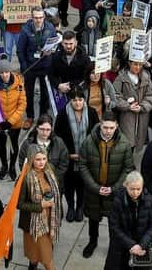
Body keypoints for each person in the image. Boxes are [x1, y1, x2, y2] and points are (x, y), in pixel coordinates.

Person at [79, 111, 134, 258]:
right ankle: (92, 241)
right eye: (105, 127)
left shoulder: (124, 143)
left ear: (116, 126)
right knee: (93, 219)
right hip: (94, 191)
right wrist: (95, 187)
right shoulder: (89, 141)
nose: (108, 131)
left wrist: (114, 188)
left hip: (114, 191)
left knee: (114, 222)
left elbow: (128, 168)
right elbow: (83, 165)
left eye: (111, 128)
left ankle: (114, 246)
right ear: (100, 125)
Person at [55, 87, 100, 222]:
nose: (77, 103)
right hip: (68, 157)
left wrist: (87, 154)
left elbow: (96, 134)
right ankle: (70, 207)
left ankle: (80, 207)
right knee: (69, 184)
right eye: (74, 100)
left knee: (82, 183)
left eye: (80, 99)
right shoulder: (63, 114)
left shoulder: (91, 113)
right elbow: (57, 136)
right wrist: (68, 154)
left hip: (85, 158)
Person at [17, 144, 64, 270]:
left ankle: (32, 267)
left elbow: (57, 190)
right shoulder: (25, 178)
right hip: (35, 223)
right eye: (38, 159)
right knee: (47, 259)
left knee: (35, 255)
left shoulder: (50, 170)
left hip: (50, 219)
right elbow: (19, 204)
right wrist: (40, 206)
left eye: (44, 158)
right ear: (31, 159)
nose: (41, 162)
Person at [105, 170, 152, 270]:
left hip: (142, 245)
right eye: (132, 189)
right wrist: (132, 245)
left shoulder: (149, 200)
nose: (135, 192)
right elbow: (114, 226)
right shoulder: (118, 200)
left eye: (138, 189)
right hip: (121, 246)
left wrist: (141, 245)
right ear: (126, 186)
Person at [17, 6, 57, 128]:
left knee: (45, 93)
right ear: (32, 17)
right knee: (28, 93)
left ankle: (43, 116)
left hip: (45, 65)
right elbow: (20, 50)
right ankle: (30, 116)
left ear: (44, 17)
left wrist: (51, 51)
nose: (38, 20)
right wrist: (24, 67)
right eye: (36, 18)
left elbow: (54, 44)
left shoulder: (50, 28)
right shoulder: (25, 30)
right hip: (30, 66)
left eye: (40, 17)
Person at [0, 58, 27, 181]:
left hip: (14, 123)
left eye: (7, 72)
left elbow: (22, 104)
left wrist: (11, 121)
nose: (5, 75)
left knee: (13, 145)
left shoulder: (19, 84)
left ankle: (12, 166)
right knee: (1, 144)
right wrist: (0, 121)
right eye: (2, 73)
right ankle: (4, 165)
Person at [113, 59, 152, 151]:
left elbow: (150, 96)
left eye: (140, 65)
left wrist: (142, 107)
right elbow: (116, 96)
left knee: (138, 140)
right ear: (129, 63)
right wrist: (127, 106)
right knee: (126, 142)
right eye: (135, 64)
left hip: (142, 116)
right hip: (126, 116)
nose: (138, 67)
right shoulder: (121, 78)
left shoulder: (146, 78)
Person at [18, 114, 69, 189]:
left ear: (51, 129)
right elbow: (22, 163)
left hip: (54, 184)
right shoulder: (28, 144)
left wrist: (52, 179)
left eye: (48, 130)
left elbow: (64, 163)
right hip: (34, 184)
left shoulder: (59, 143)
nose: (45, 132)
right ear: (37, 128)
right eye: (42, 129)